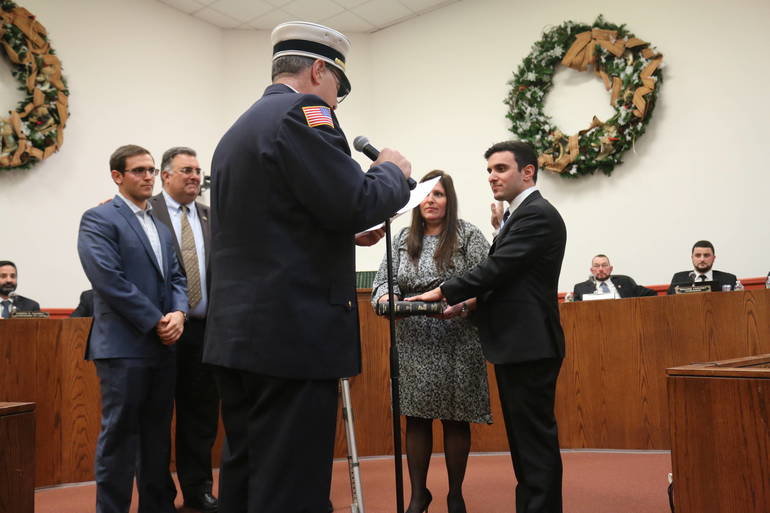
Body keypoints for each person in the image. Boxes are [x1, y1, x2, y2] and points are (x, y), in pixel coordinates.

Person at [202, 21, 412, 513]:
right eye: (339, 86)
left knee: (247, 472)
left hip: (238, 336)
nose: (338, 102)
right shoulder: (306, 111)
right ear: (319, 69)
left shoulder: (240, 127)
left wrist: (341, 228)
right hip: (290, 339)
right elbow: (358, 199)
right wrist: (391, 170)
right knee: (291, 483)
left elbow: (277, 222)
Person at [409, 140, 567, 513]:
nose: (492, 177)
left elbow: (496, 269)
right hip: (518, 344)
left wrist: (443, 291)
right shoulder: (517, 215)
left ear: (527, 172)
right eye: (489, 171)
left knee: (535, 448)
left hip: (530, 344)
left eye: (501, 169)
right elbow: (510, 282)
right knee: (525, 449)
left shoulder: (537, 214)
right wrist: (471, 304)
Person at [371, 170, 492, 513]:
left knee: (456, 419)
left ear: (449, 200)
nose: (431, 200)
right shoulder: (403, 237)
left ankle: (455, 494)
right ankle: (418, 495)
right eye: (425, 194)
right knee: (416, 418)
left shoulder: (468, 234)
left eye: (438, 194)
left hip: (458, 338)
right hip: (414, 340)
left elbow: (487, 282)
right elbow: (384, 281)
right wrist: (387, 298)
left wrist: (464, 305)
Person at [77, 144, 188, 513]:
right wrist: (156, 319)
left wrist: (179, 314)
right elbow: (108, 281)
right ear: (117, 176)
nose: (148, 177)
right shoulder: (99, 219)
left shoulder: (159, 226)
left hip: (162, 346)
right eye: (139, 170)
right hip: (124, 347)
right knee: (120, 440)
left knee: (157, 442)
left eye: (152, 170)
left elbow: (176, 277)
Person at [149, 146, 219, 513]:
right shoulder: (147, 213)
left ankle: (198, 489)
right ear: (165, 176)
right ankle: (159, 494)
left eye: (197, 170)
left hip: (205, 332)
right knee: (158, 417)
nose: (194, 176)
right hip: (160, 332)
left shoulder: (211, 216)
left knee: (201, 416)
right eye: (186, 170)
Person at [572, 254, 657, 300]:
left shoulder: (625, 282)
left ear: (610, 269)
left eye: (604, 265)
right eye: (597, 266)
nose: (601, 269)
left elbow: (652, 294)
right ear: (592, 270)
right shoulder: (581, 288)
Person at [667, 240, 738, 294]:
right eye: (698, 255)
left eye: (706, 255)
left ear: (713, 258)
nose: (702, 259)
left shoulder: (729, 279)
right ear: (692, 258)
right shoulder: (679, 279)